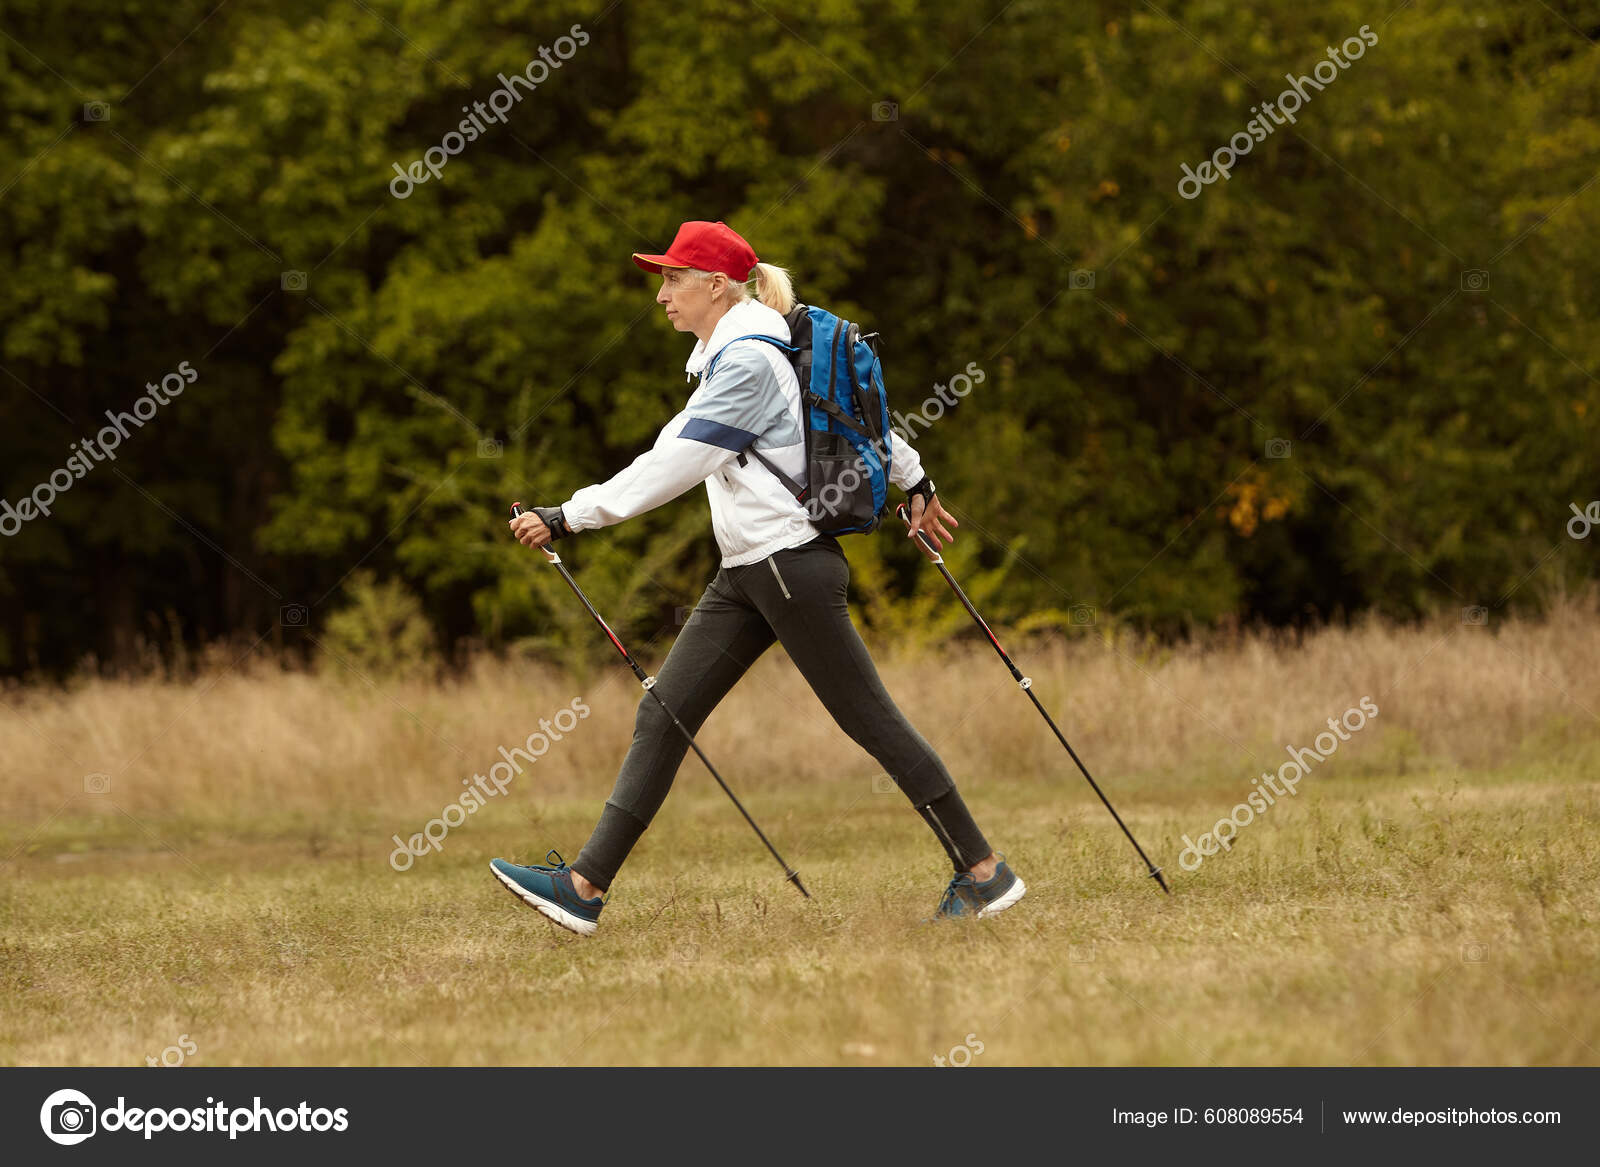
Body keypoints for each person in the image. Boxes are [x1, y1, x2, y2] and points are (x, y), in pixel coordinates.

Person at [490, 220, 1024, 936]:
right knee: (665, 711)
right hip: (749, 572)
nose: (662, 296)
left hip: (786, 567)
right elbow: (862, 424)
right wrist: (915, 479)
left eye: (673, 279)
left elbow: (675, 460)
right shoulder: (759, 349)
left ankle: (984, 871)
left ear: (716, 285)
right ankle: (583, 886)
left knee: (870, 719)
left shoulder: (747, 363)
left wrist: (570, 515)